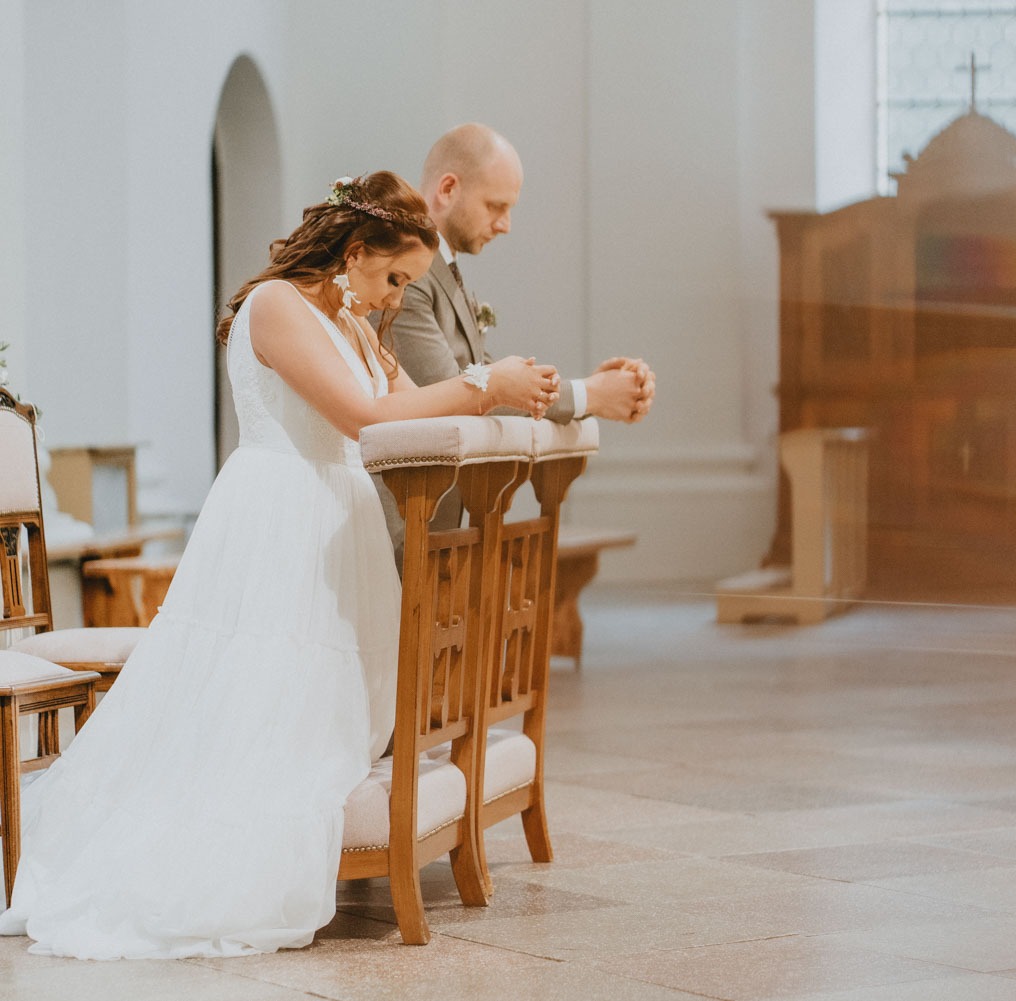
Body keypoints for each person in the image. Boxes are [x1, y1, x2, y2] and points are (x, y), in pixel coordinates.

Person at [0, 171, 559, 960]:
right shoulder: (275, 307)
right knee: (260, 698)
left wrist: (497, 390)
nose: (394, 294)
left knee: (328, 709)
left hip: (345, 515)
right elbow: (362, 417)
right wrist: (479, 386)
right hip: (280, 509)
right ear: (356, 249)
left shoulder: (357, 324)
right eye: (394, 276)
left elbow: (408, 400)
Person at [385, 123, 655, 424]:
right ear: (448, 189)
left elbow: (483, 379)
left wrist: (596, 393)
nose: (505, 226)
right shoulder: (403, 276)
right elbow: (448, 395)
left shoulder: (440, 268)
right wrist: (592, 394)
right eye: (495, 206)